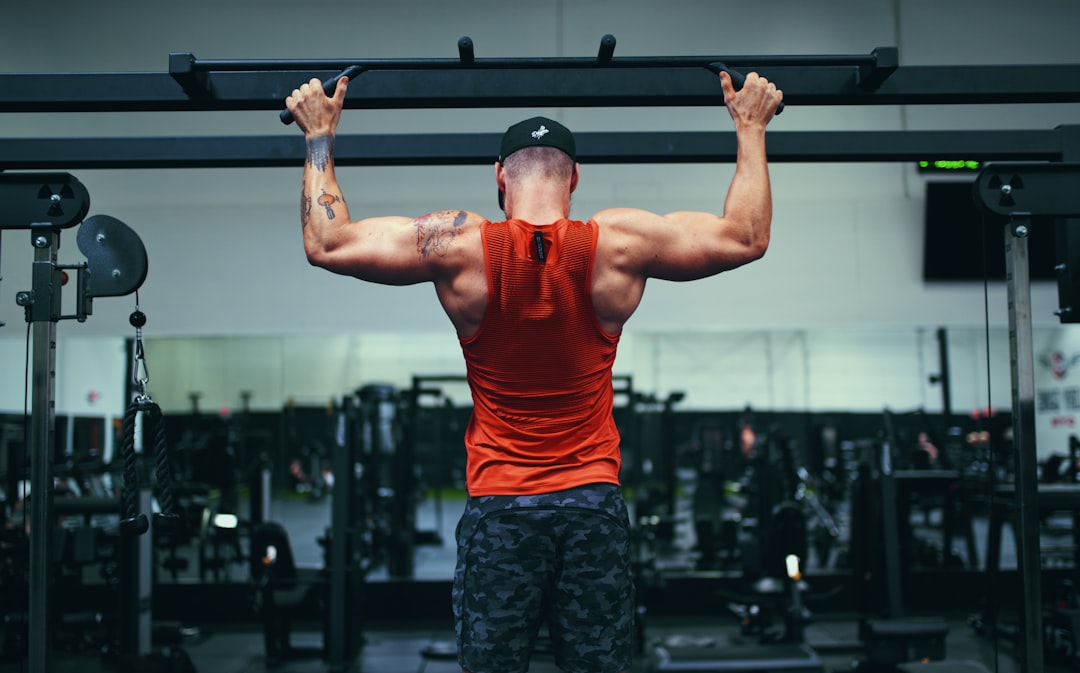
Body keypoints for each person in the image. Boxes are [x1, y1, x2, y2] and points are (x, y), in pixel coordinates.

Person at [285, 68, 782, 673]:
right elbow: (746, 237)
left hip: (500, 508)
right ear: (575, 179)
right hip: (591, 507)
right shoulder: (620, 242)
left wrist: (318, 135)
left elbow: (327, 244)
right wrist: (750, 125)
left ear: (500, 178)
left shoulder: (459, 244)